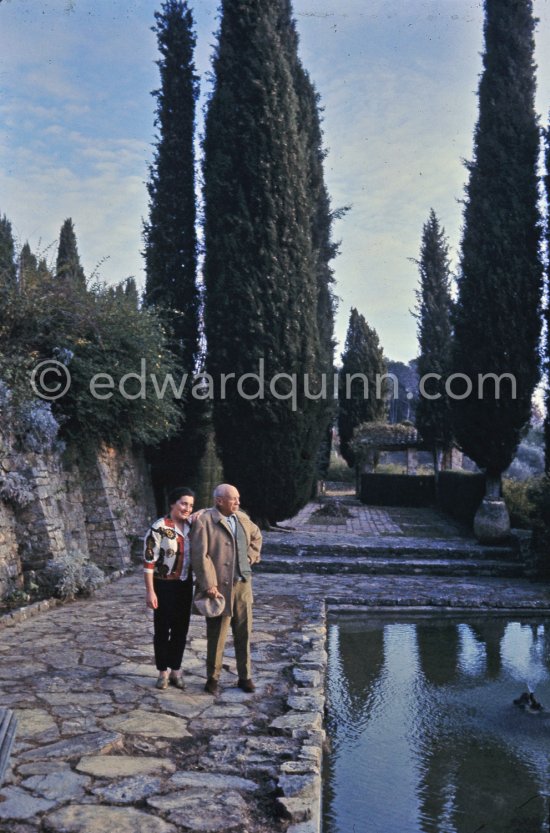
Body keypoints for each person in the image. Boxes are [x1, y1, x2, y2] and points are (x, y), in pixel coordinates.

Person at [190, 483, 262, 695]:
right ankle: (212, 679)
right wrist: (209, 584)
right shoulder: (205, 521)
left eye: (238, 498)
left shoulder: (242, 518)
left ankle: (245, 676)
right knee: (217, 636)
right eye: (234, 499)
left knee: (244, 634)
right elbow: (199, 555)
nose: (238, 502)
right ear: (219, 501)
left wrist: (250, 557)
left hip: (243, 587)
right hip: (219, 590)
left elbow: (257, 536)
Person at [143, 486, 195, 690]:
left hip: (184, 584)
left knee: (181, 629)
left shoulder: (192, 526)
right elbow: (149, 562)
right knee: (162, 629)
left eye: (191, 505)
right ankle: (162, 672)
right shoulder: (158, 528)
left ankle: (176, 670)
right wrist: (150, 591)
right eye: (183, 503)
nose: (187, 508)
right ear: (173, 503)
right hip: (163, 585)